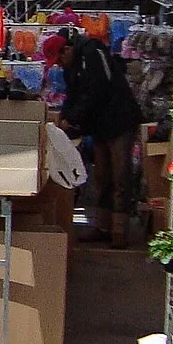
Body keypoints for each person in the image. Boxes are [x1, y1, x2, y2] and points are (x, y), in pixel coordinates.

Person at [41, 30, 142, 246]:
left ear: (67, 49)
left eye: (59, 59)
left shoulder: (93, 53)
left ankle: (119, 231)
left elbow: (98, 90)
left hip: (120, 121)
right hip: (99, 125)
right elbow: (73, 95)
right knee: (102, 177)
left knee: (120, 176)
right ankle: (103, 226)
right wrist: (66, 118)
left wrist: (74, 117)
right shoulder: (71, 68)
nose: (59, 64)